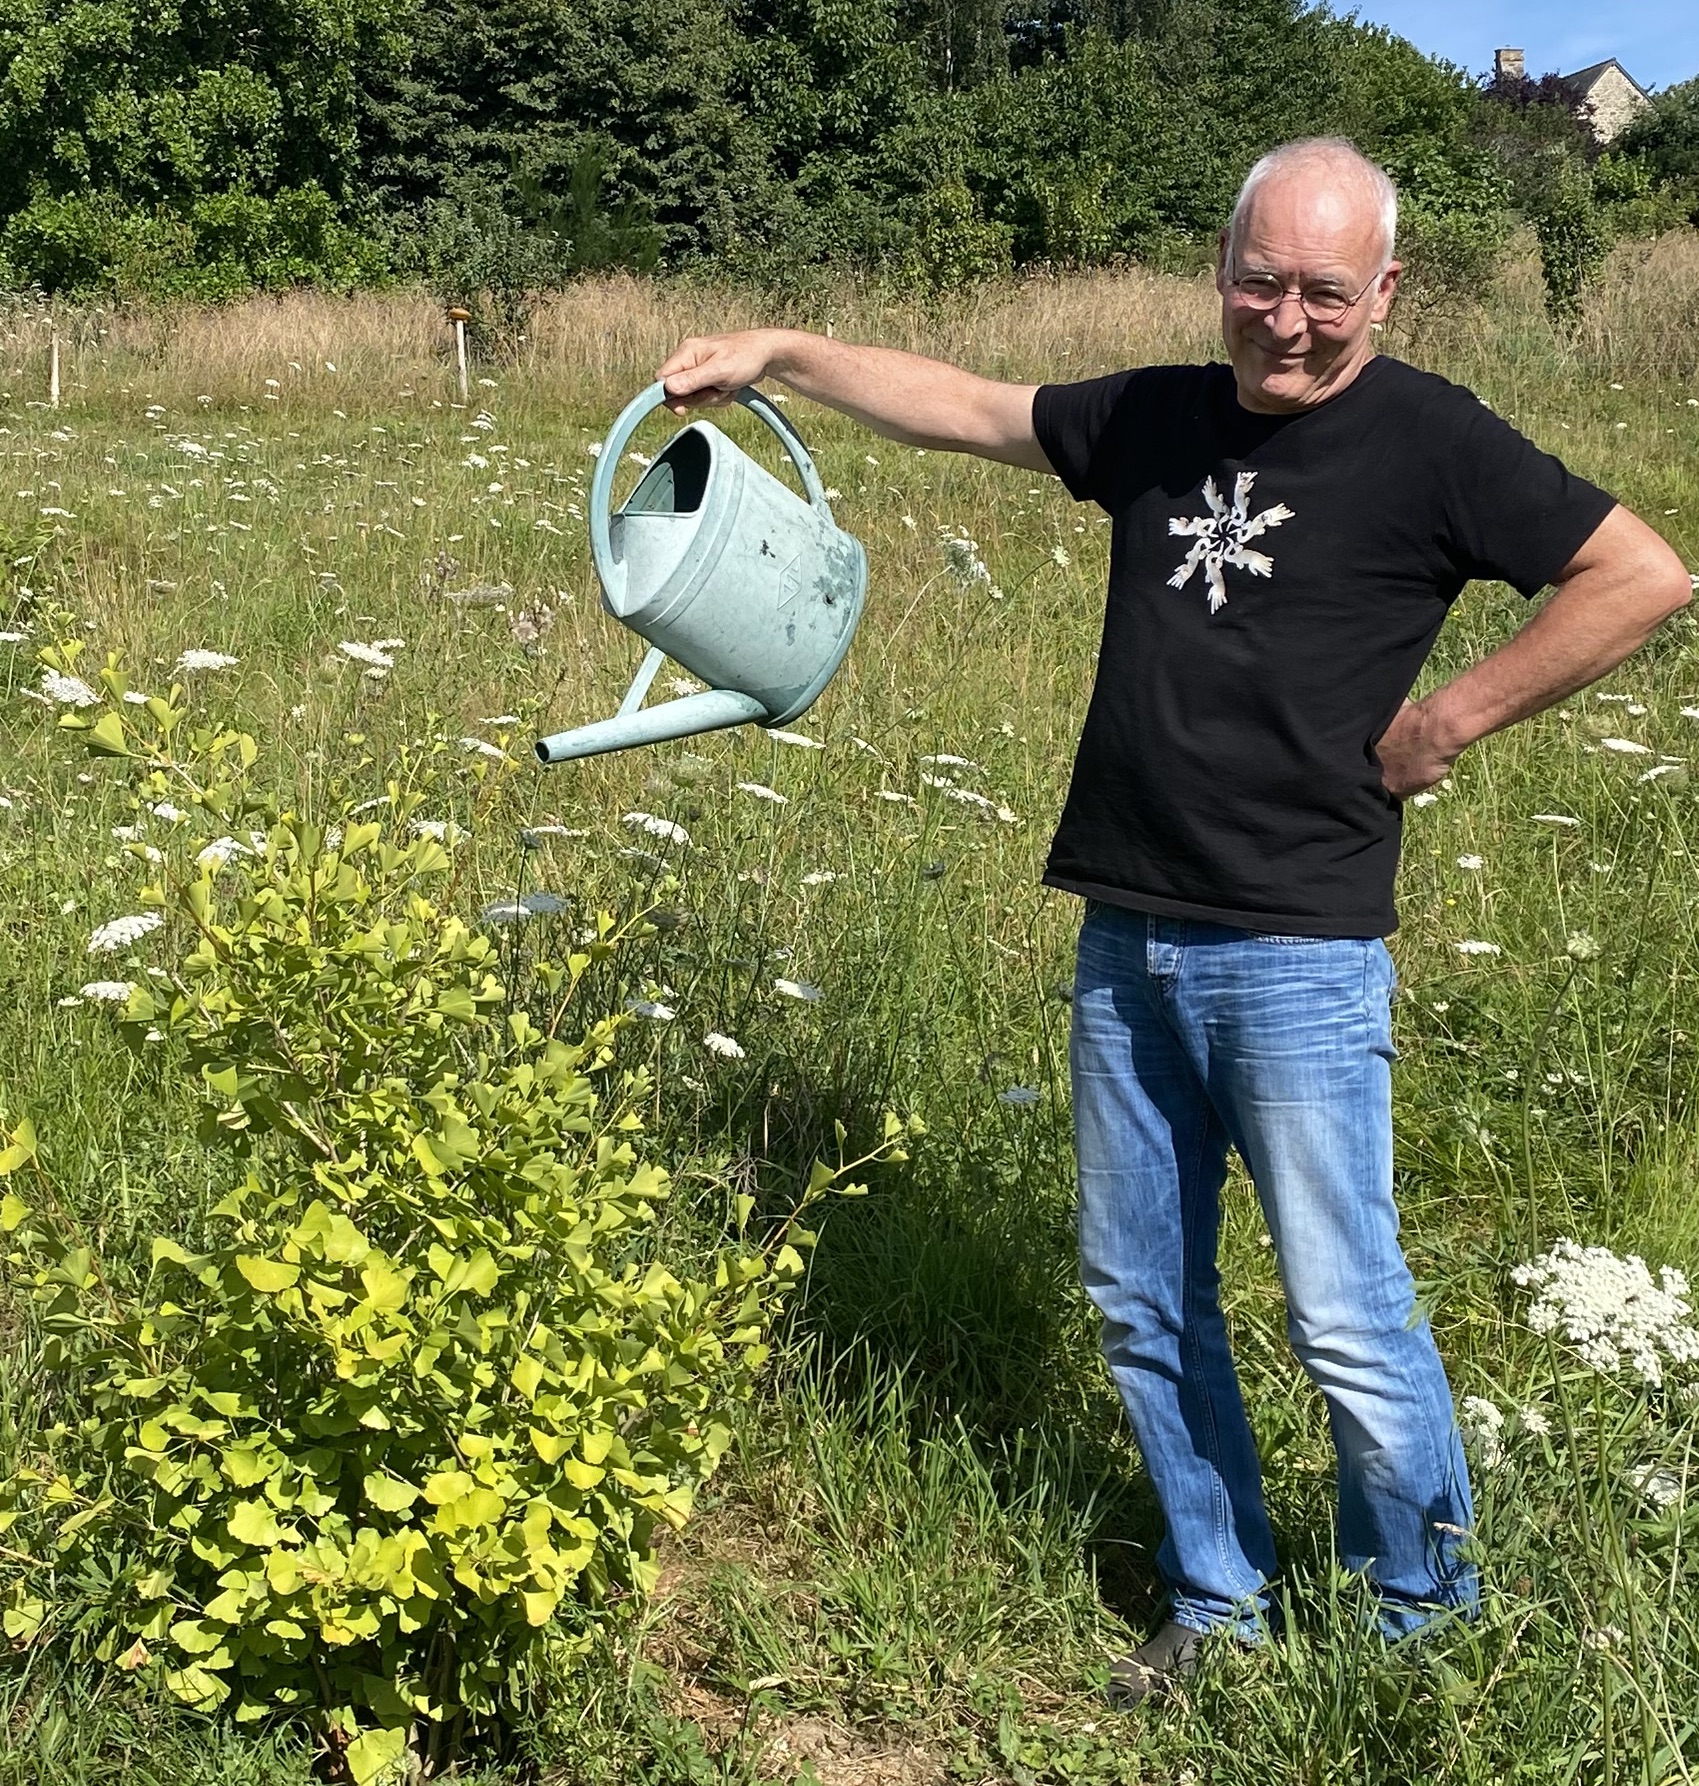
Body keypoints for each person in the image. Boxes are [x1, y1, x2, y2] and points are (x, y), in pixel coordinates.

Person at [655, 137, 1692, 1701]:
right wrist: (784, 352)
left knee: (1345, 1315)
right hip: (1124, 935)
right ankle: (1221, 1602)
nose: (1287, 318)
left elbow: (1640, 572)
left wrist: (1452, 721)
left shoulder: (1434, 443)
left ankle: (1421, 1635)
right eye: (1259, 280)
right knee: (1144, 1299)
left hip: (1297, 950)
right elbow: (974, 407)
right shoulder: (1153, 417)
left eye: (1325, 292)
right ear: (1222, 269)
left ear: (1385, 291)